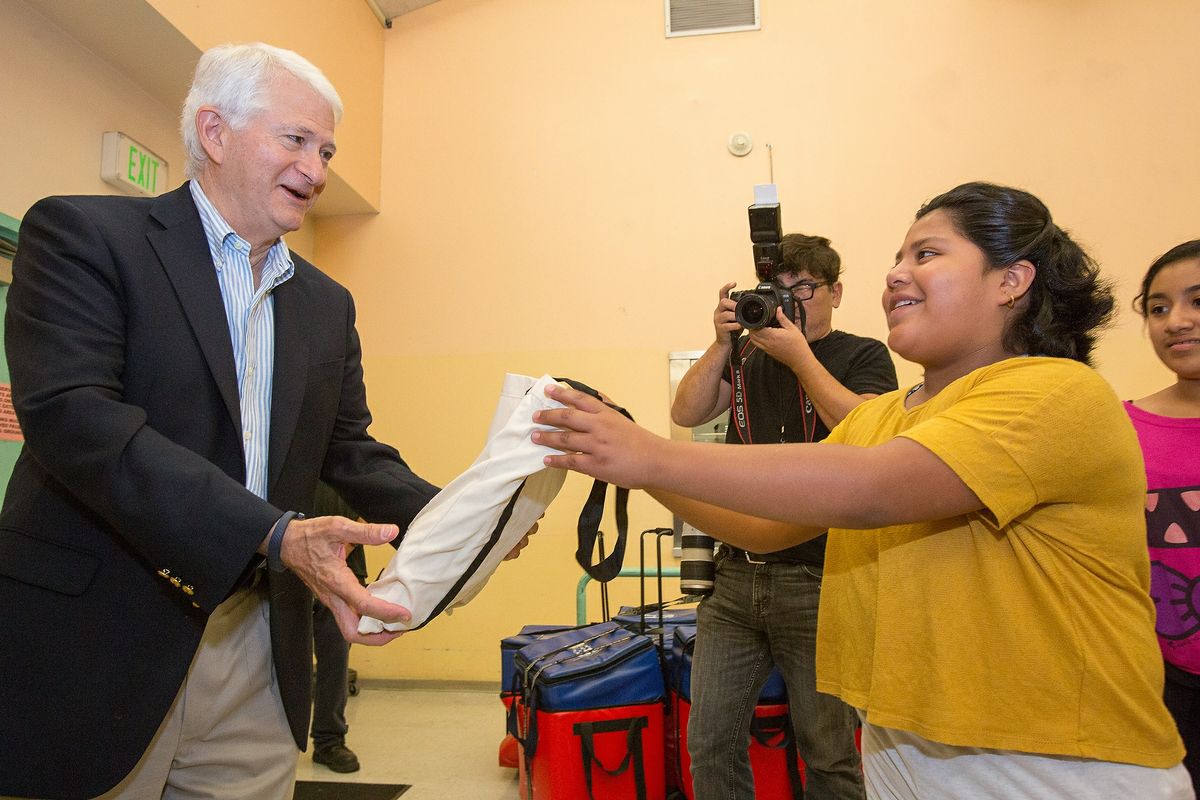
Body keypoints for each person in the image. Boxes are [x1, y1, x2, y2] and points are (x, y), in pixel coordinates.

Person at [533, 181, 1192, 798]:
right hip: (902, 740)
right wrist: (629, 457)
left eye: (927, 253)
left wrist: (650, 458)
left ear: (1013, 280)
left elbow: (872, 489)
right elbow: (763, 526)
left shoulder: (1056, 393)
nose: (896, 272)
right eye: (899, 256)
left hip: (1055, 759)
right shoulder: (885, 415)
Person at [0, 42, 530, 800]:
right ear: (214, 133)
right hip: (97, 641)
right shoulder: (85, 238)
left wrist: (468, 519)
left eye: (327, 150)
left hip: (256, 653)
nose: (316, 171)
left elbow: (347, 449)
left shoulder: (325, 303)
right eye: (296, 141)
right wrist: (275, 533)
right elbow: (75, 418)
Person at [671, 233, 895, 799]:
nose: (791, 301)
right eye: (778, 291)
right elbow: (687, 410)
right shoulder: (746, 354)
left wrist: (800, 357)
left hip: (823, 579)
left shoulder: (862, 354)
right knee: (710, 744)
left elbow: (866, 431)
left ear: (836, 292)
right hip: (735, 577)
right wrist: (721, 344)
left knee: (828, 753)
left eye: (805, 289)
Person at [1126, 240, 1200, 796]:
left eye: (1198, 301)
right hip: (1162, 683)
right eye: (1158, 307)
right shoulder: (1121, 428)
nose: (1177, 322)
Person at [309, 482, 370, 774]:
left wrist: (343, 546)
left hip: (346, 572)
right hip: (290, 567)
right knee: (277, 662)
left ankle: (328, 742)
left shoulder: (353, 457)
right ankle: (266, 738)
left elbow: (373, 510)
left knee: (335, 660)